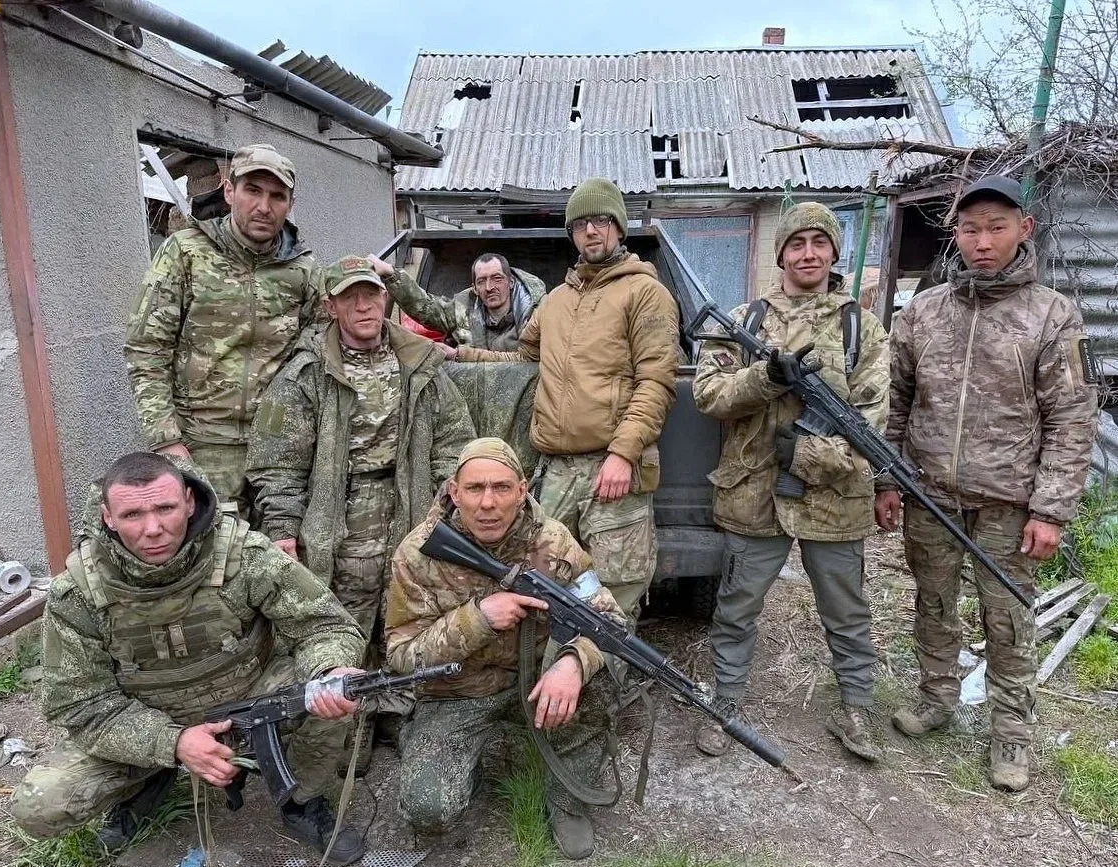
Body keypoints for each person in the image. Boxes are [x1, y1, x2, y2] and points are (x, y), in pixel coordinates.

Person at [10, 453, 368, 863]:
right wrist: (172, 742)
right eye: (132, 515)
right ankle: (150, 776)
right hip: (145, 716)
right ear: (108, 517)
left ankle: (302, 800)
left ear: (189, 502)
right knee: (38, 806)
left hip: (250, 697)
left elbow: (324, 626)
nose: (153, 529)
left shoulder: (245, 555)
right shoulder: (77, 592)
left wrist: (330, 667)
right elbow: (78, 703)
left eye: (165, 508)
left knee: (331, 692)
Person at [876, 175, 1098, 791]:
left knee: (1007, 617)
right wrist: (887, 479)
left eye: (996, 228)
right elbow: (894, 404)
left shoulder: (1051, 314)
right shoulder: (923, 312)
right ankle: (936, 696)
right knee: (933, 603)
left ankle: (1011, 732)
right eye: (970, 229)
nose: (982, 241)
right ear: (955, 234)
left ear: (1024, 230)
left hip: (1009, 503)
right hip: (929, 495)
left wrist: (1051, 510)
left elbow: (1073, 417)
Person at [692, 202, 889, 762]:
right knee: (736, 608)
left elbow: (872, 419)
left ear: (834, 252)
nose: (808, 254)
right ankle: (726, 704)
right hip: (753, 492)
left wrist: (806, 454)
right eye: (796, 244)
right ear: (780, 254)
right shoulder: (744, 320)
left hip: (835, 496)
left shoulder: (861, 326)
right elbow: (710, 395)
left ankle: (856, 709)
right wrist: (766, 376)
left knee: (846, 612)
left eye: (819, 243)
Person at [444, 178, 679, 631]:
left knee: (613, 595)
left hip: (612, 469)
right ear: (571, 233)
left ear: (619, 227)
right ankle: (552, 669)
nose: (591, 231)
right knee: (542, 583)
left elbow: (656, 382)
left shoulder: (645, 293)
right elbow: (522, 360)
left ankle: (599, 673)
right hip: (555, 469)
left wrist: (623, 453)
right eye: (580, 224)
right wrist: (461, 356)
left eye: (601, 221)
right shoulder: (556, 302)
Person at [385, 438, 624, 860]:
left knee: (599, 681)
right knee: (428, 809)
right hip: (456, 694)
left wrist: (573, 663)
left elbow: (611, 621)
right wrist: (477, 619)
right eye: (474, 489)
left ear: (522, 490)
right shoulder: (418, 553)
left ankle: (566, 799)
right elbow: (402, 656)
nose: (488, 503)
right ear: (454, 492)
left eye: (501, 488)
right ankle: (445, 753)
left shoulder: (553, 541)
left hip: (536, 684)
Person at [246, 256, 475, 655]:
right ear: (330, 306)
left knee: (410, 625)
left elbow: (453, 441)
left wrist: (446, 508)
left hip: (412, 516)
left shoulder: (420, 364)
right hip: (339, 528)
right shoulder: (305, 374)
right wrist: (283, 529)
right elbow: (278, 465)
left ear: (386, 298)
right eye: (350, 297)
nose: (364, 306)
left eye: (371, 294)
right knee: (342, 632)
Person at [125, 143, 318, 516]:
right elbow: (146, 348)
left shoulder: (302, 269)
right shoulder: (186, 253)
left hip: (279, 450)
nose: (264, 206)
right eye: (253, 191)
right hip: (202, 446)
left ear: (290, 204)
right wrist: (166, 440)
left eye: (277, 196)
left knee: (281, 546)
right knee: (211, 546)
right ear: (229, 191)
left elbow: (316, 353)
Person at [367, 252, 546, 351]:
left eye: (497, 278)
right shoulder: (462, 308)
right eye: (481, 281)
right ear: (474, 288)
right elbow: (426, 308)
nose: (489, 287)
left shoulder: (536, 313)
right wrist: (391, 274)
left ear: (511, 282)